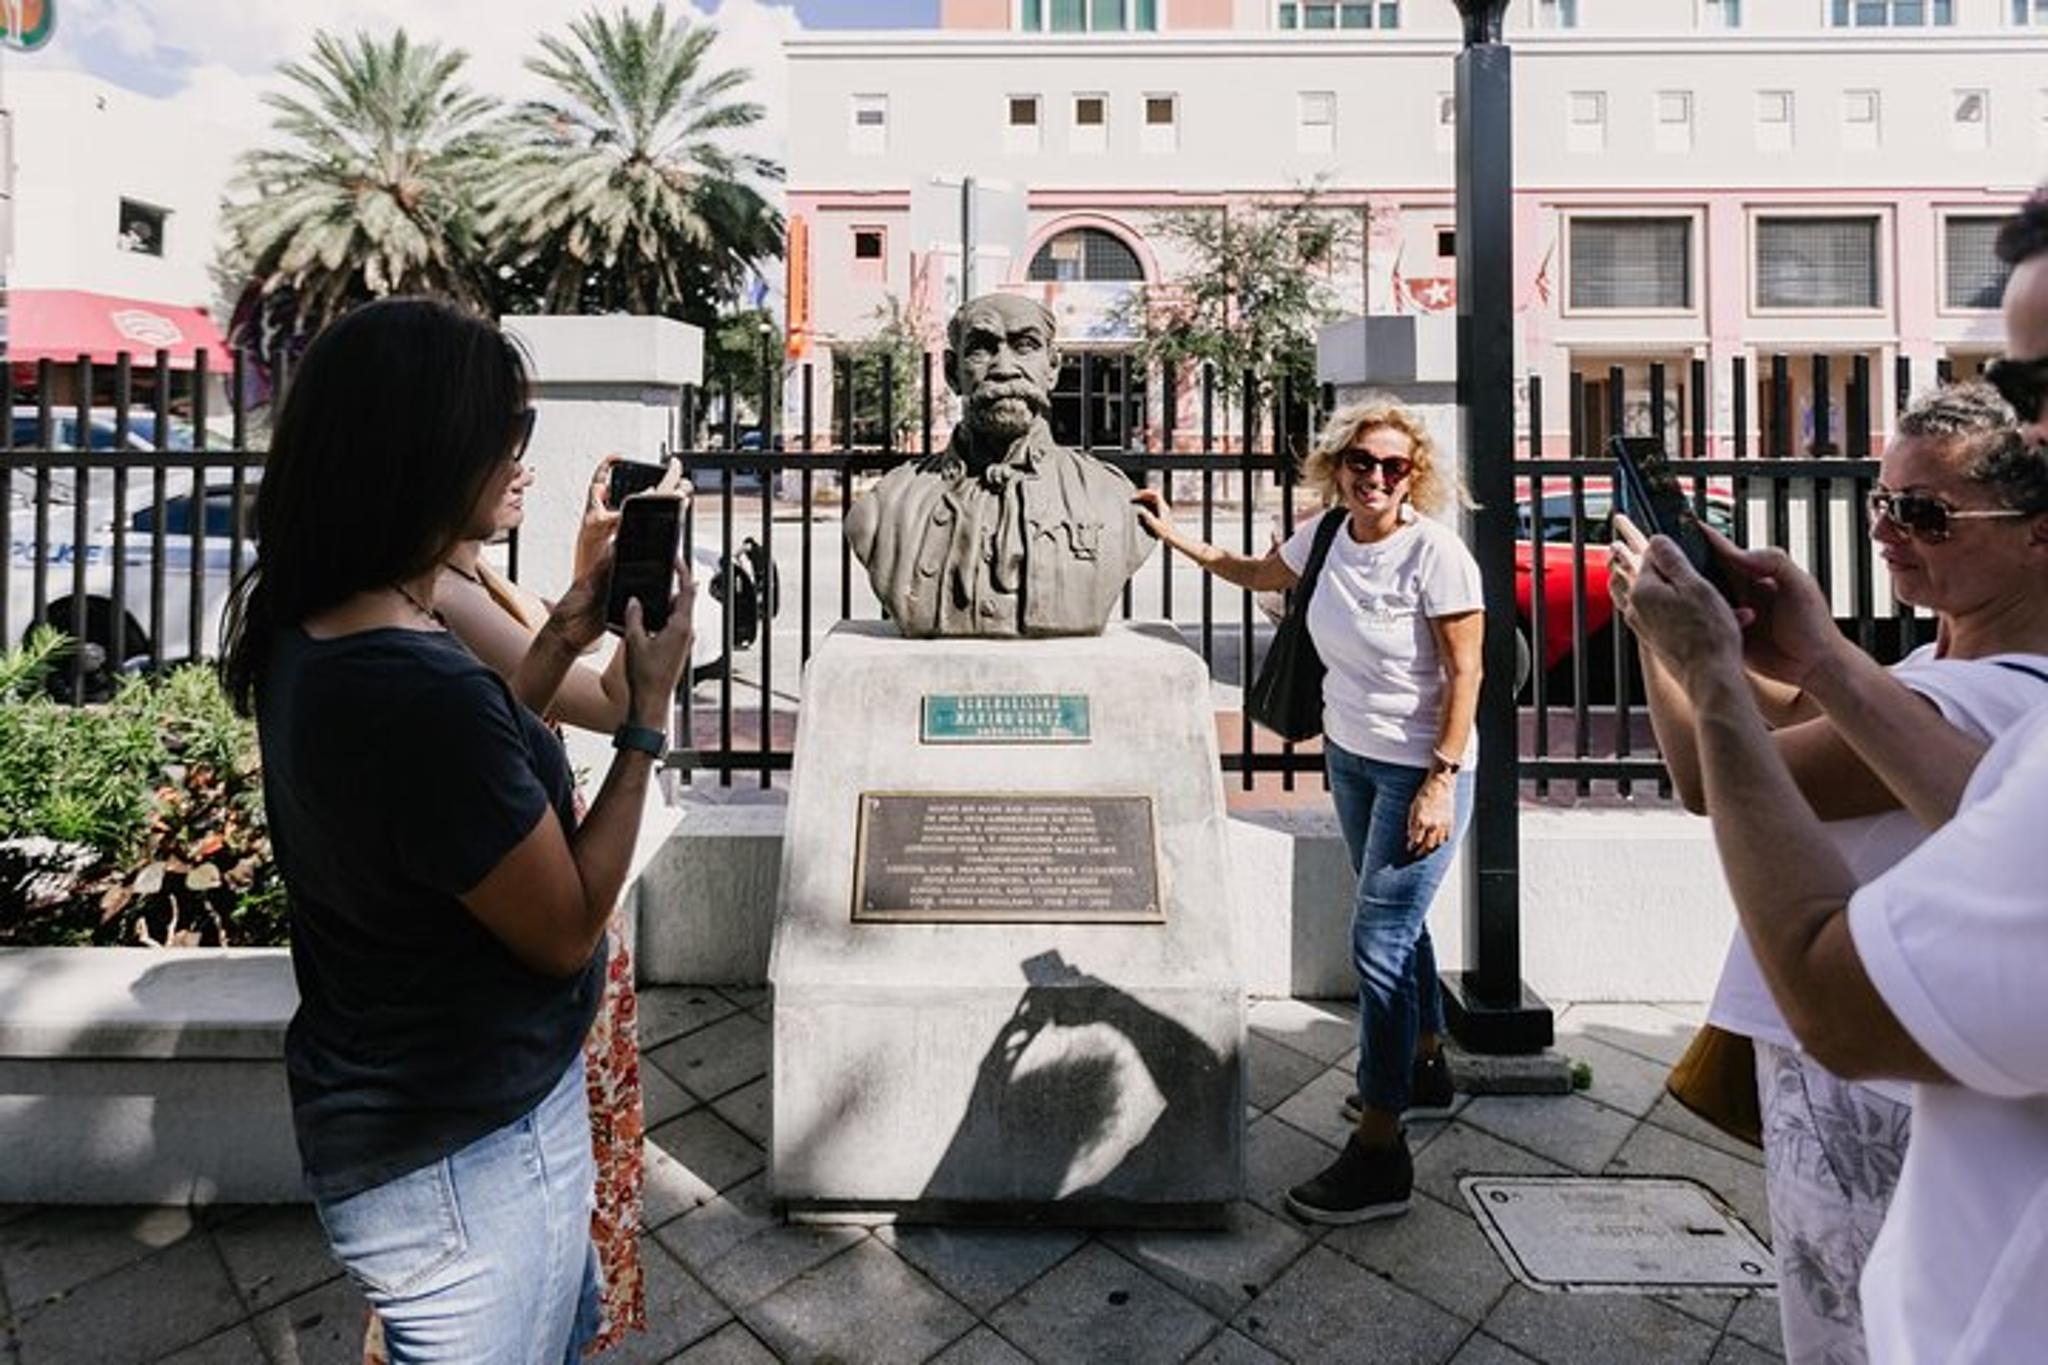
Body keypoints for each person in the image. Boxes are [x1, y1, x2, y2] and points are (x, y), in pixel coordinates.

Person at [220, 297, 695, 1363]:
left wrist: (565, 630)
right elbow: (565, 924)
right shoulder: (413, 687)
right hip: (467, 1153)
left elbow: (462, 797)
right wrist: (644, 726)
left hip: (427, 1113)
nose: (517, 460)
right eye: (505, 437)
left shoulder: (321, 622)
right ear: (429, 456)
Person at [1622, 383, 2048, 1363]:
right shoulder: (1948, 673)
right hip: (1904, 1063)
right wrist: (1764, 656)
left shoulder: (1983, 701)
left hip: (1877, 1067)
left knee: (1841, 1330)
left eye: (1924, 514)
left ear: (2034, 535)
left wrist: (1671, 649)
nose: (1888, 532)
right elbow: (1801, 718)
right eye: (1880, 503)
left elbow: (1713, 775)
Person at [1135, 398, 1483, 1224]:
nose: (1374, 478)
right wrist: (1173, 533)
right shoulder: (1326, 537)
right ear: (1339, 465)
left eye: (1393, 466)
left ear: (1416, 475)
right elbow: (1255, 573)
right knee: (1396, 916)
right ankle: (1426, 1065)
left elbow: (1466, 674)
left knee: (1380, 944)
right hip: (1353, 755)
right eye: (1362, 462)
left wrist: (1439, 777)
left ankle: (1380, 1147)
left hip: (1419, 767)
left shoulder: (1435, 556)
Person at [844, 293, 1155, 637]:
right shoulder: (884, 507)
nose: (1004, 368)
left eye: (1025, 346)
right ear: (951, 371)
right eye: (981, 349)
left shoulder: (1113, 501)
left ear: (1052, 368)